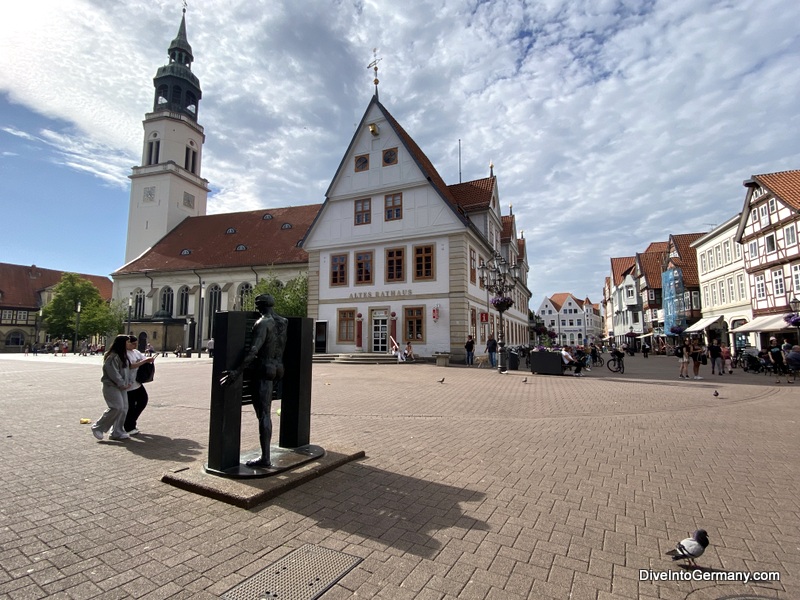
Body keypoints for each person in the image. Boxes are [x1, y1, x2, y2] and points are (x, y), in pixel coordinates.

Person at [220, 294, 287, 468]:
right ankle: (265, 455)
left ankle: (265, 458)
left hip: (264, 368)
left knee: (264, 414)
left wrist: (236, 372)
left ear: (259, 307)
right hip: (278, 367)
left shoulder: (263, 323)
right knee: (266, 411)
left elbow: (253, 351)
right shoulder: (283, 322)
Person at [92, 335, 132, 441]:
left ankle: (117, 431)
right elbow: (113, 372)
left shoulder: (123, 355)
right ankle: (98, 427)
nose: (130, 344)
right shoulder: (113, 356)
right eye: (128, 342)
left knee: (123, 409)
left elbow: (127, 371)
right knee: (116, 407)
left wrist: (128, 382)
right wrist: (122, 383)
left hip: (122, 386)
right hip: (111, 386)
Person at [124, 335, 156, 435]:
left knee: (143, 400)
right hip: (128, 384)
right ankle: (129, 426)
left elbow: (143, 359)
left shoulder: (136, 352)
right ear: (126, 343)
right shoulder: (123, 354)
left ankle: (130, 422)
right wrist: (144, 361)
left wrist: (148, 359)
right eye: (132, 343)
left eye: (136, 343)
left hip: (137, 382)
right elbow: (130, 365)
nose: (135, 345)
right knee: (131, 406)